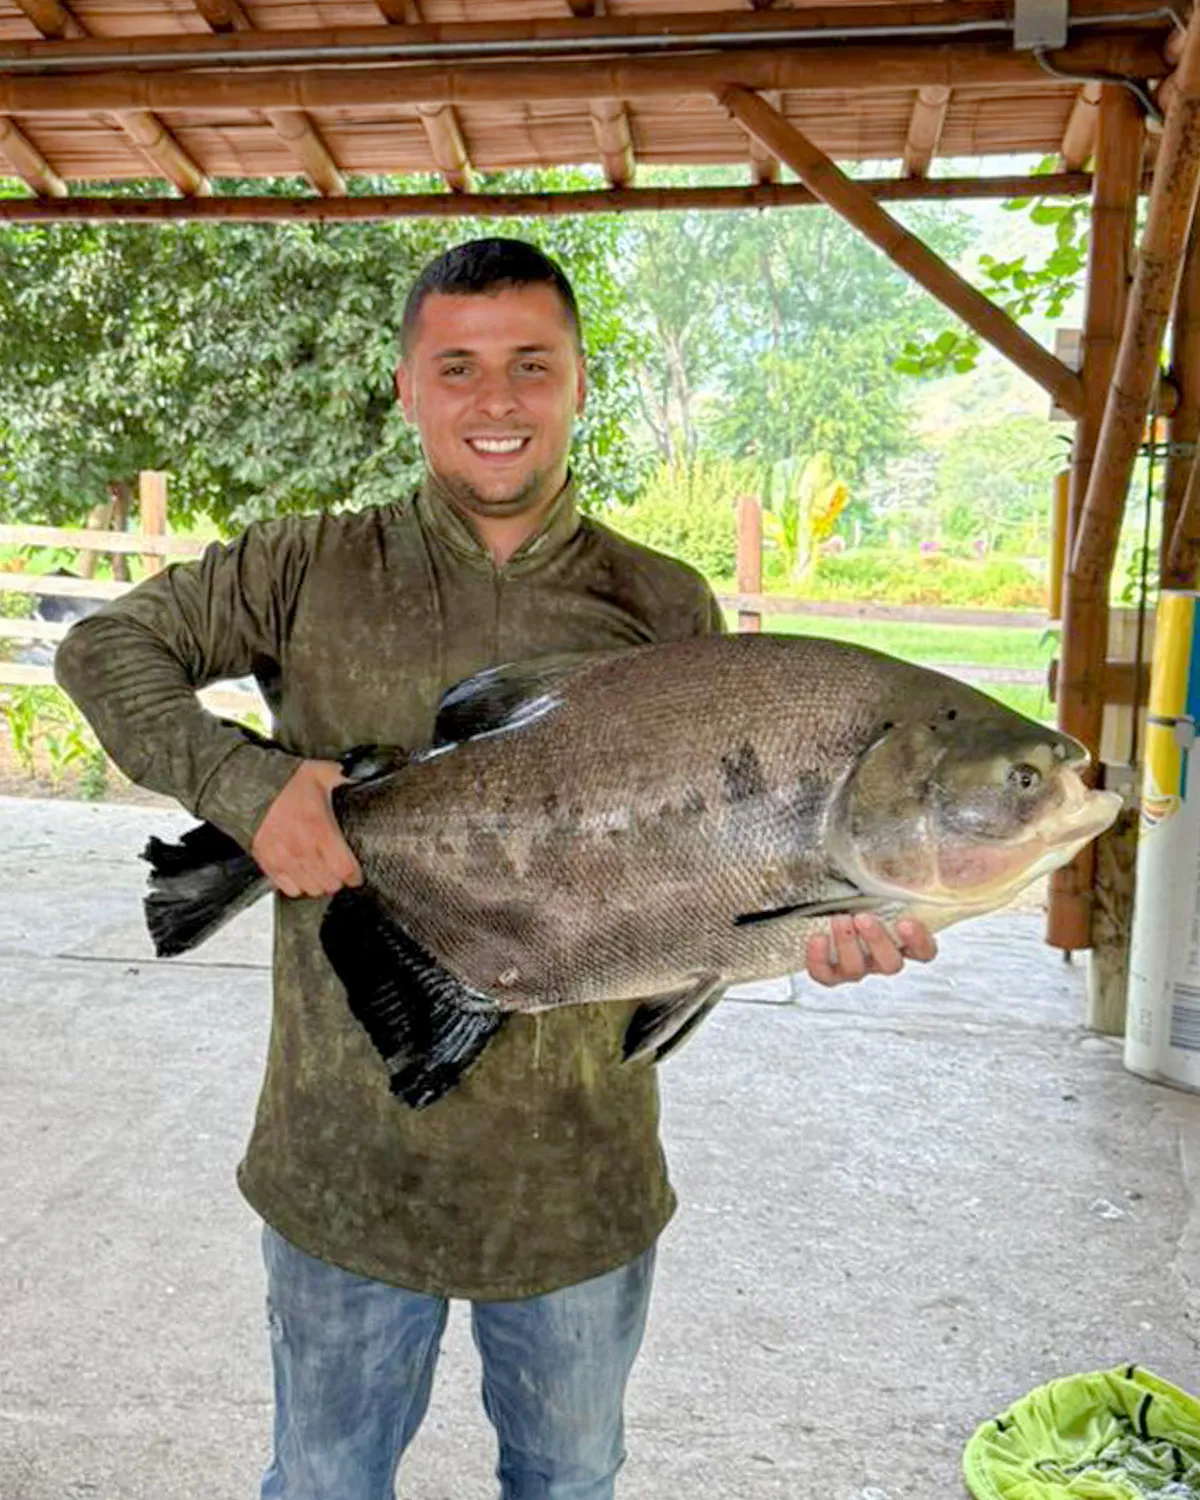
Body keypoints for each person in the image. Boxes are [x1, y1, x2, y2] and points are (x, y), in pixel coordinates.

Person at [55, 237, 936, 1500]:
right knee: (322, 1481)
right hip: (342, 1163)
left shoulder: (664, 603)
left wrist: (816, 924)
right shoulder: (302, 564)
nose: (497, 400)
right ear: (406, 389)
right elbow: (106, 649)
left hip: (579, 1179)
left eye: (532, 364)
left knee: (570, 1482)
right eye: (457, 367)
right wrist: (247, 789)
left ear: (580, 382)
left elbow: (718, 869)